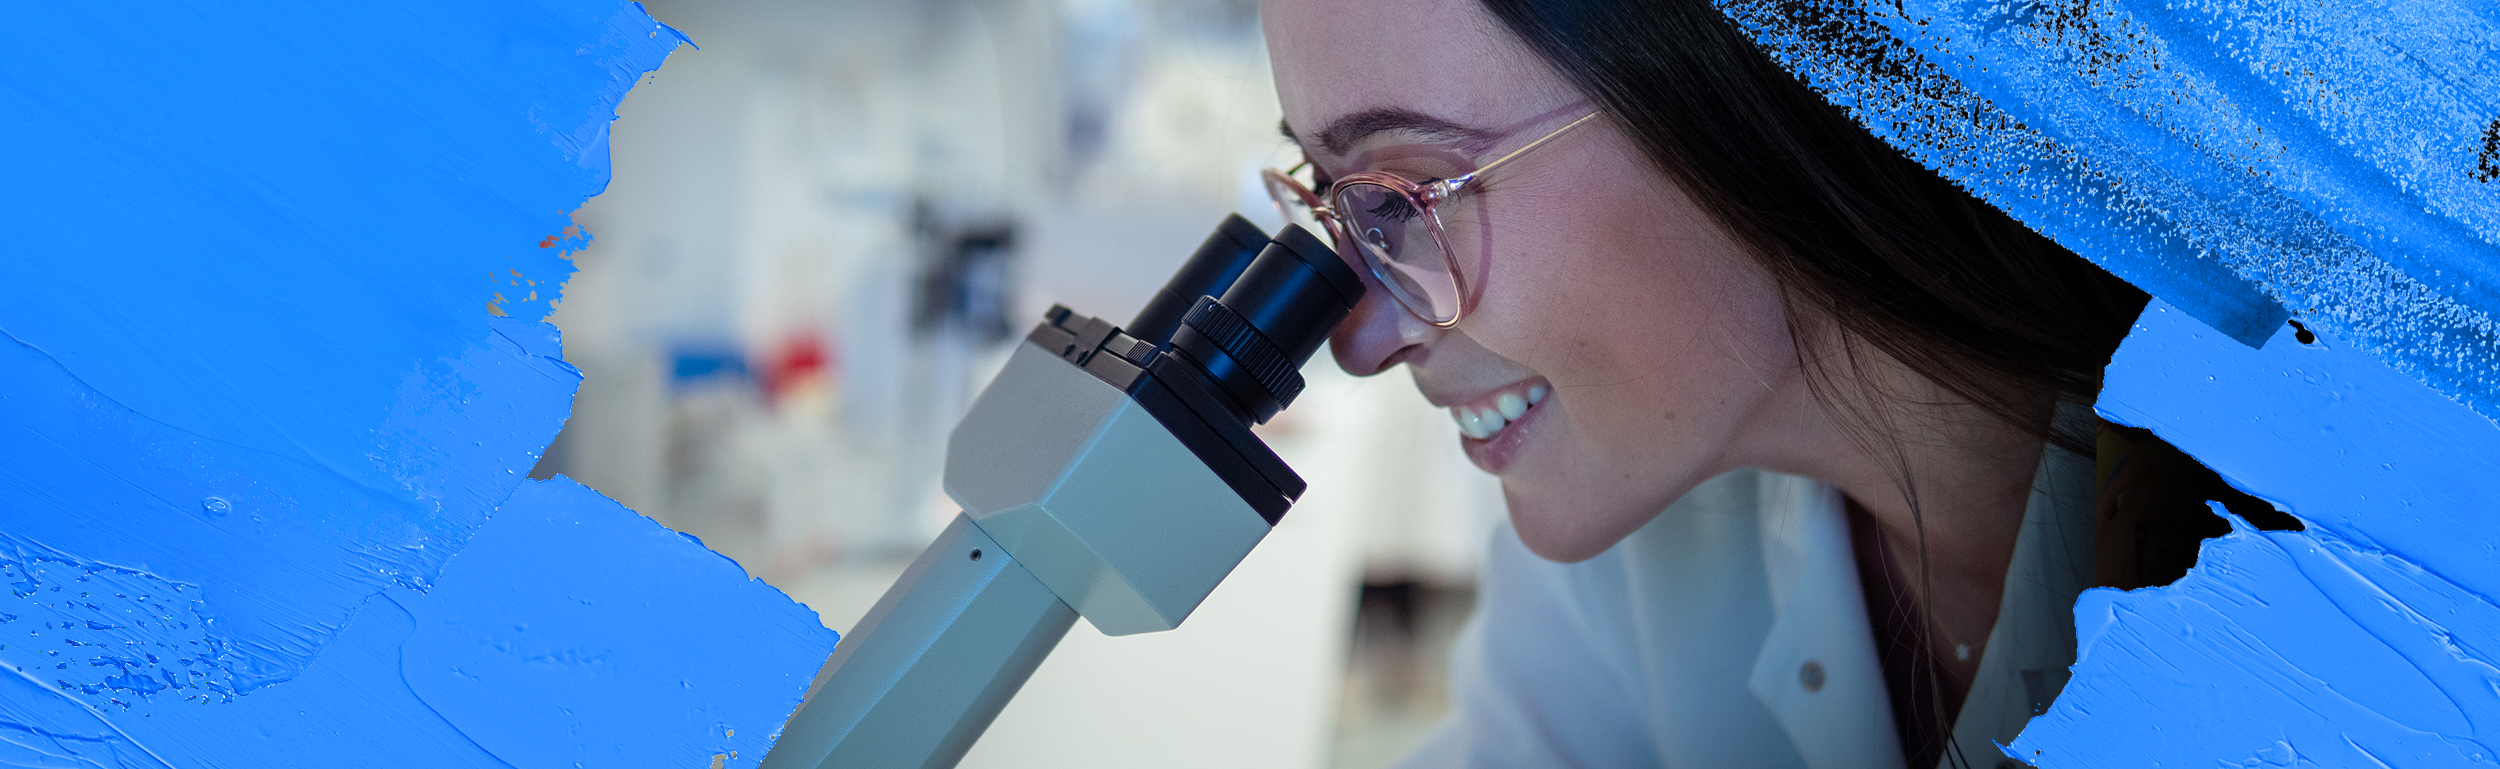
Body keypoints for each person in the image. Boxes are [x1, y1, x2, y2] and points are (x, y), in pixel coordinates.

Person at [1253, 0, 2215, 766]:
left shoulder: (2256, 556)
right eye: (1323, 195)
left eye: (1397, 202)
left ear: (1733, 91)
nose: (1359, 339)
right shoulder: (1638, 548)